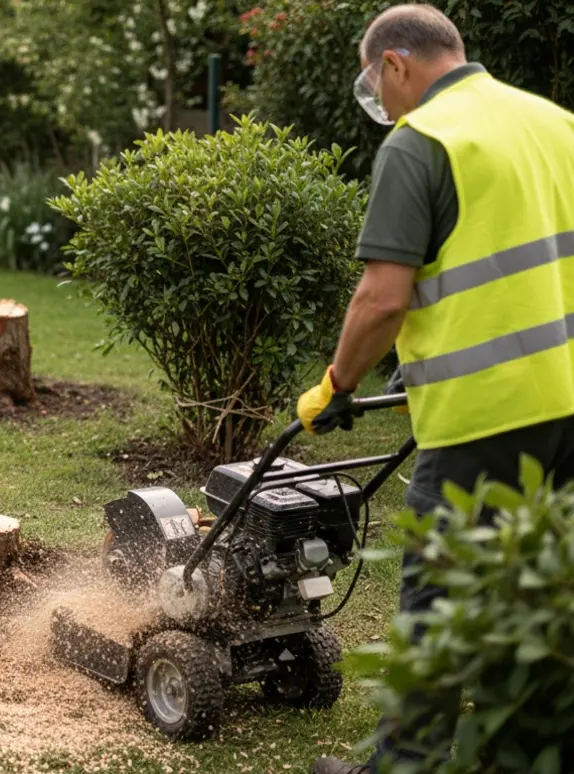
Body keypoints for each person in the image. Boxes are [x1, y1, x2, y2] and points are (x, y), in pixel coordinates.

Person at [293, 4, 574, 773]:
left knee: (437, 602)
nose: (379, 102)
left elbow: (383, 299)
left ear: (395, 65)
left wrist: (335, 384)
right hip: (568, 404)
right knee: (542, 595)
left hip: (487, 415)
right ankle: (528, 752)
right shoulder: (553, 122)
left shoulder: (421, 143)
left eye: (373, 83)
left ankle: (402, 766)